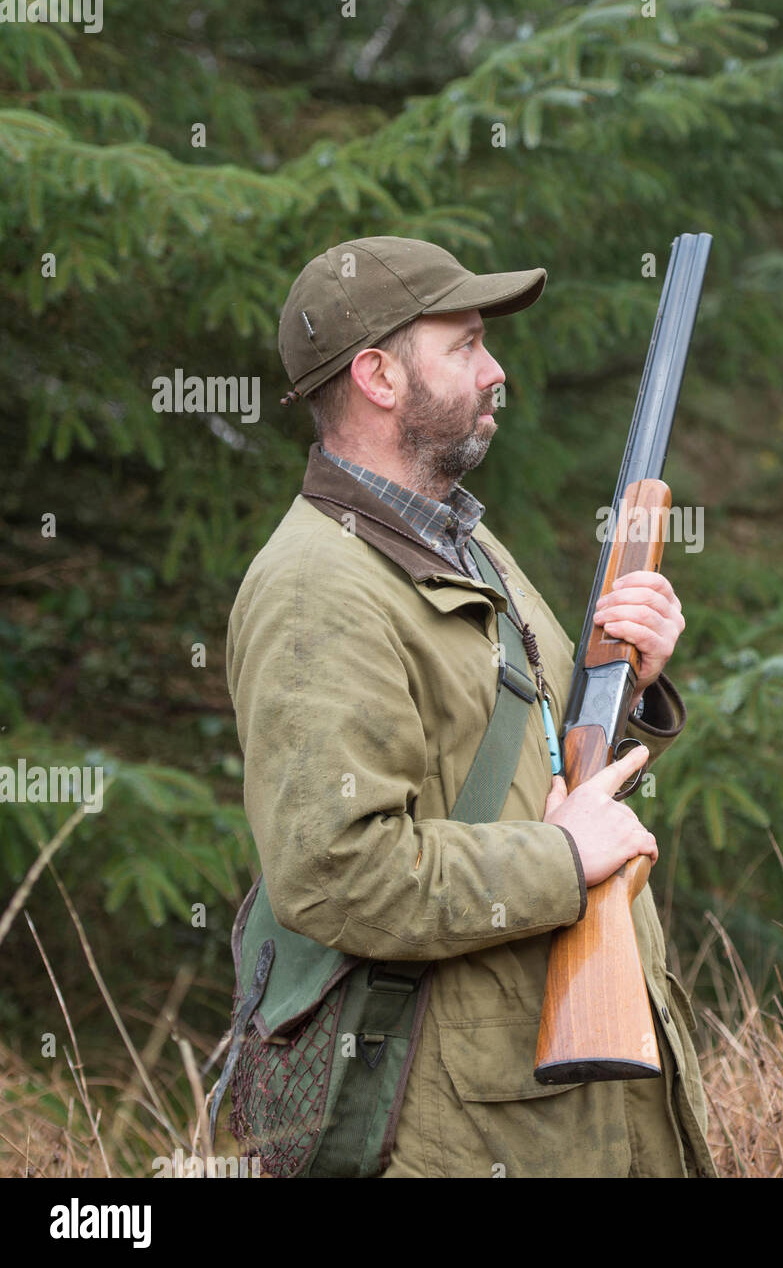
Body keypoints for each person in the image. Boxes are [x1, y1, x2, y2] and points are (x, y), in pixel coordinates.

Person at [225, 235, 715, 1177]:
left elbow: (543, 761)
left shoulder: (460, 543)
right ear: (377, 376)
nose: (497, 372)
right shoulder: (314, 590)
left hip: (577, 1103)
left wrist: (633, 687)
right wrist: (564, 857)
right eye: (466, 345)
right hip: (466, 1126)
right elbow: (340, 871)